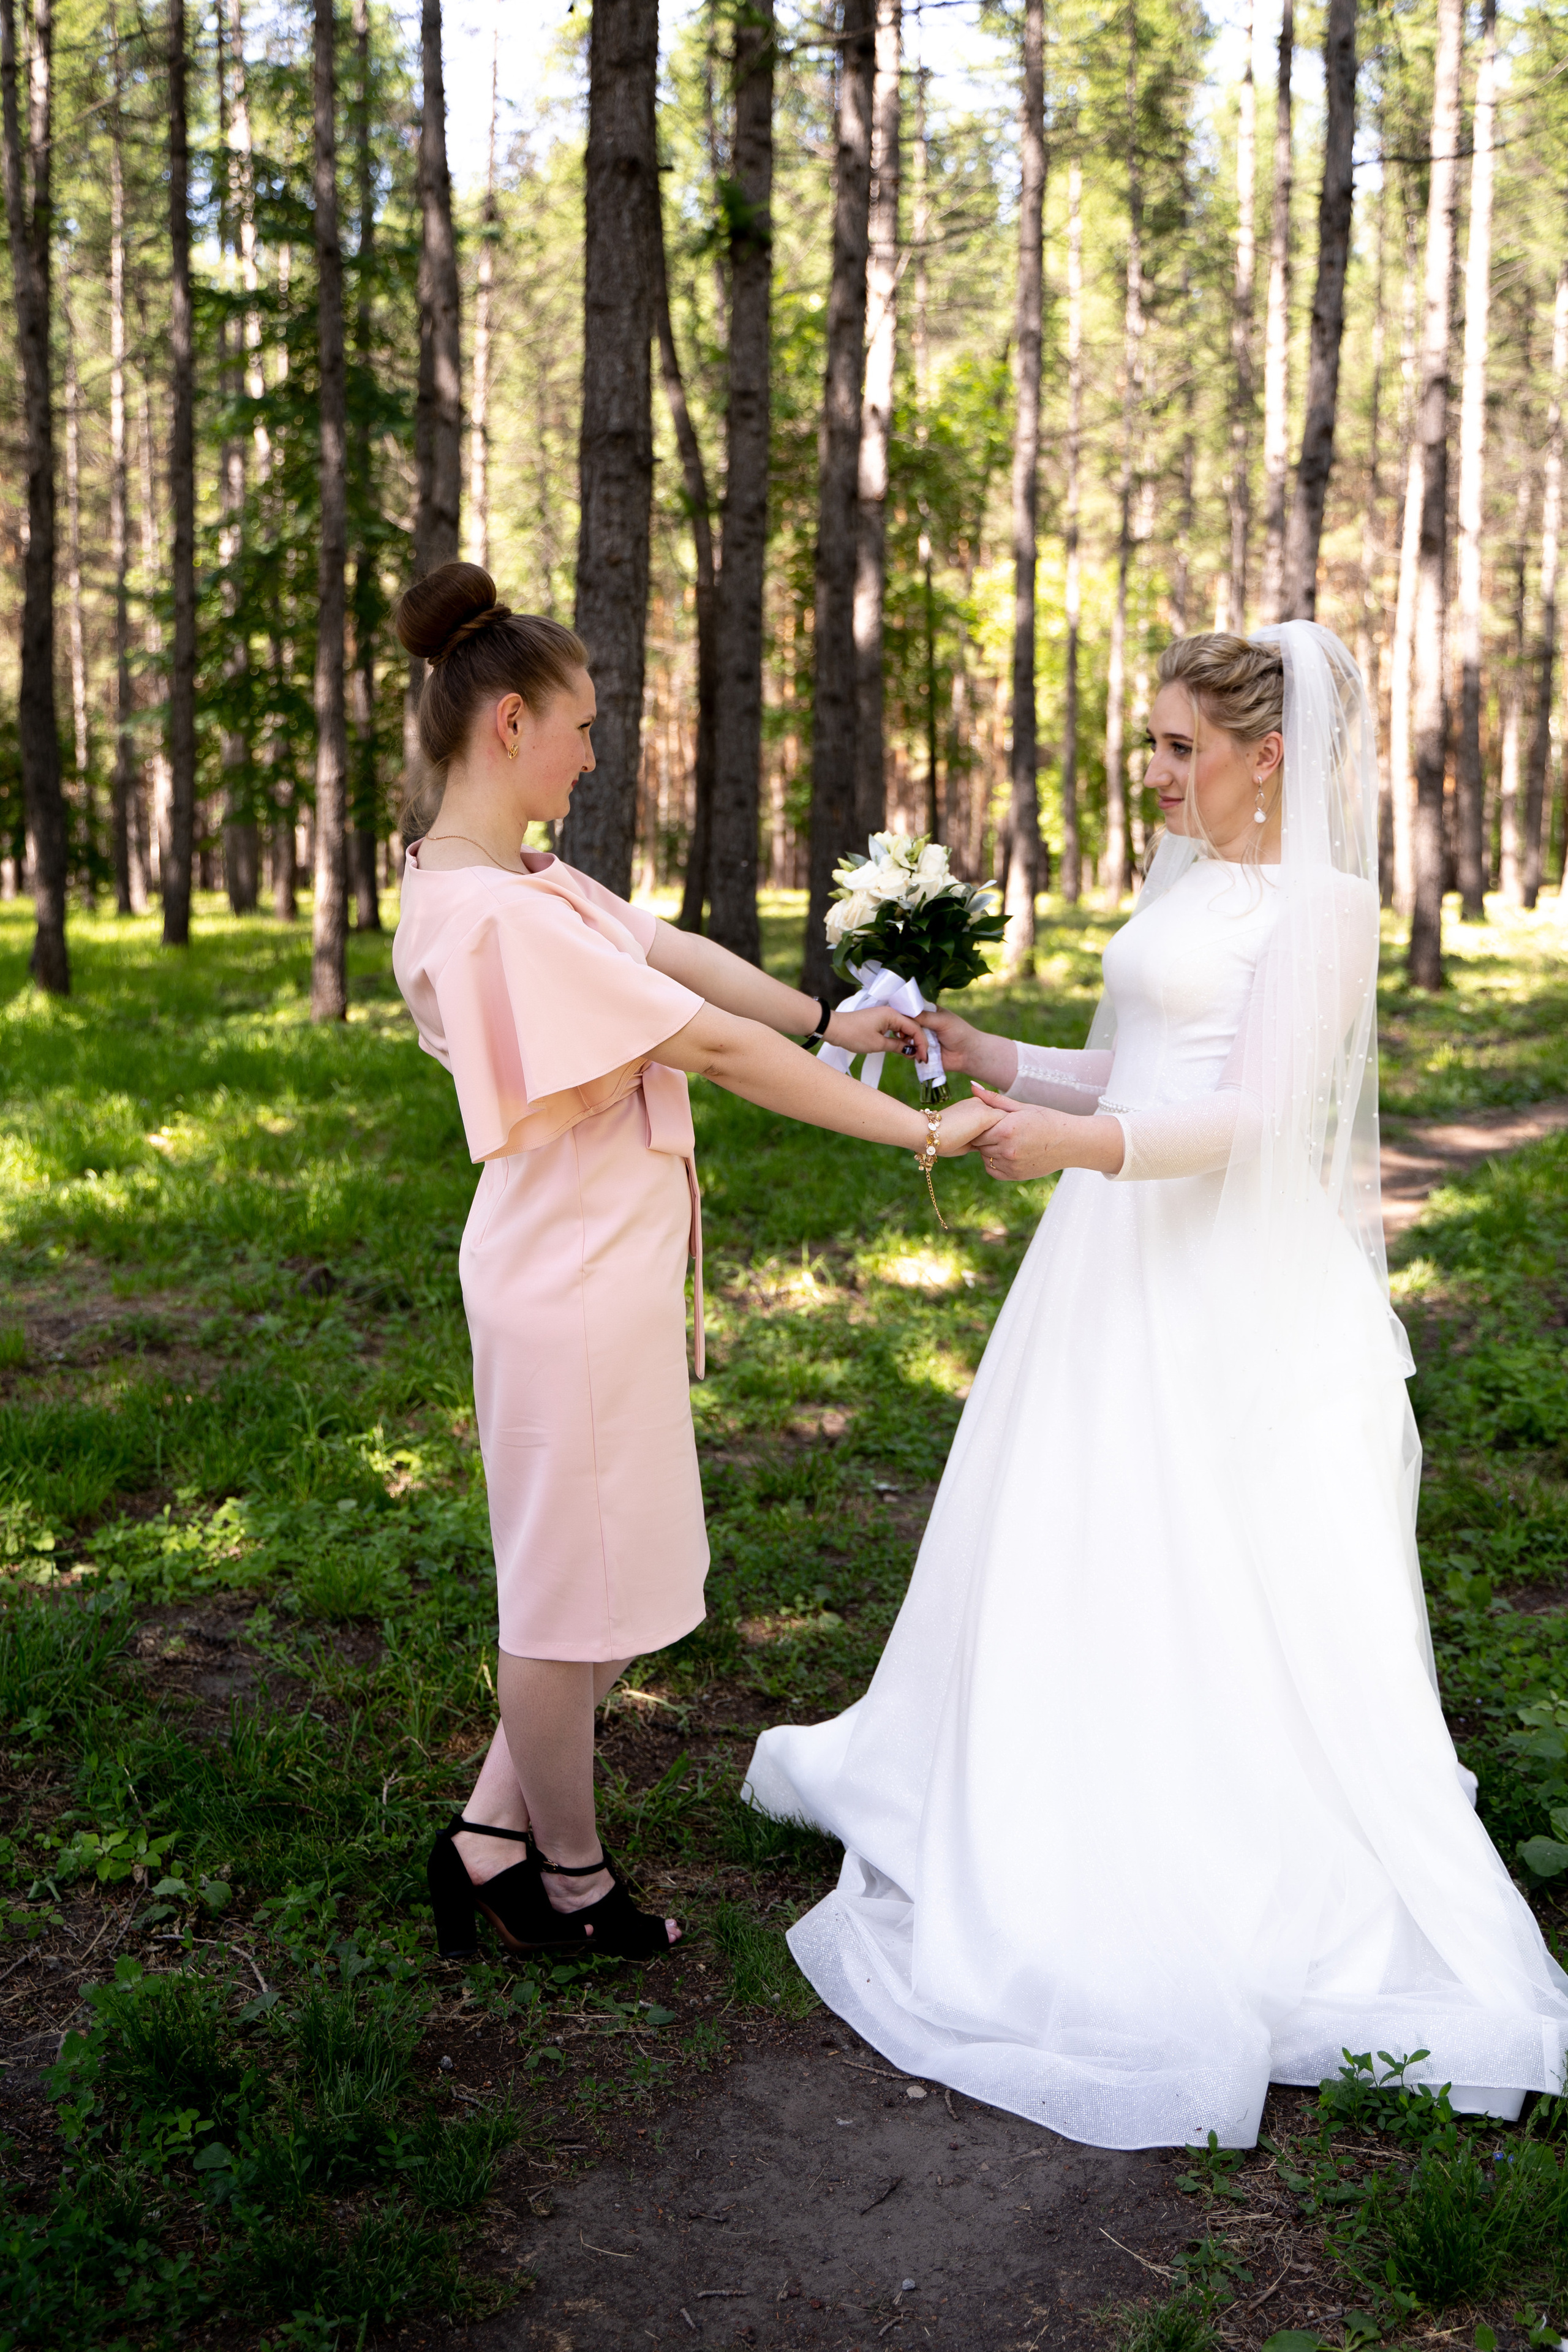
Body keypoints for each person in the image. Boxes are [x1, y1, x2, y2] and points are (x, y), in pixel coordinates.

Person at [745, 624, 1568, 2149]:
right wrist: (982, 1051)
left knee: (1234, 1579)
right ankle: (1043, 1783)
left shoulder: (1322, 909)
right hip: (1110, 1264)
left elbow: (1247, 1121)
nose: (1156, 772)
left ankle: (1216, 1855)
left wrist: (1079, 1151)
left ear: (1272, 757)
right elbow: (1129, 1066)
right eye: (1154, 743)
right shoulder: (1187, 884)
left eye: (1183, 748)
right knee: (1079, 1544)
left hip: (1229, 1285)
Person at [390, 562, 998, 1965]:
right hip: (566, 1277)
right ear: (507, 730)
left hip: (594, 1262)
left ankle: (487, 1845)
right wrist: (918, 1132)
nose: (595, 751)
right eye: (583, 726)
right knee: (564, 1597)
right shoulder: (494, 918)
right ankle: (569, 1880)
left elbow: (678, 956)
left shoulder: (515, 880)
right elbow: (708, 1046)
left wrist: (829, 1018)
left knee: (609, 1579)